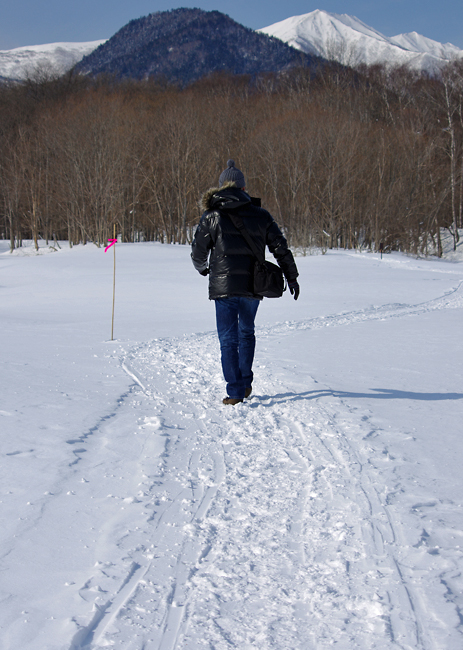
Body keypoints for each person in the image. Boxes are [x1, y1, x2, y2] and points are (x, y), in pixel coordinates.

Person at [191, 159, 300, 405]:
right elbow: (280, 247)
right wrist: (291, 276)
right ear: (243, 187)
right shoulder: (261, 215)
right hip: (252, 286)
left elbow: (198, 251)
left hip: (224, 287)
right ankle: (246, 381)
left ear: (221, 187)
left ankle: (235, 391)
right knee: (247, 333)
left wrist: (203, 268)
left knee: (229, 339)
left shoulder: (212, 216)